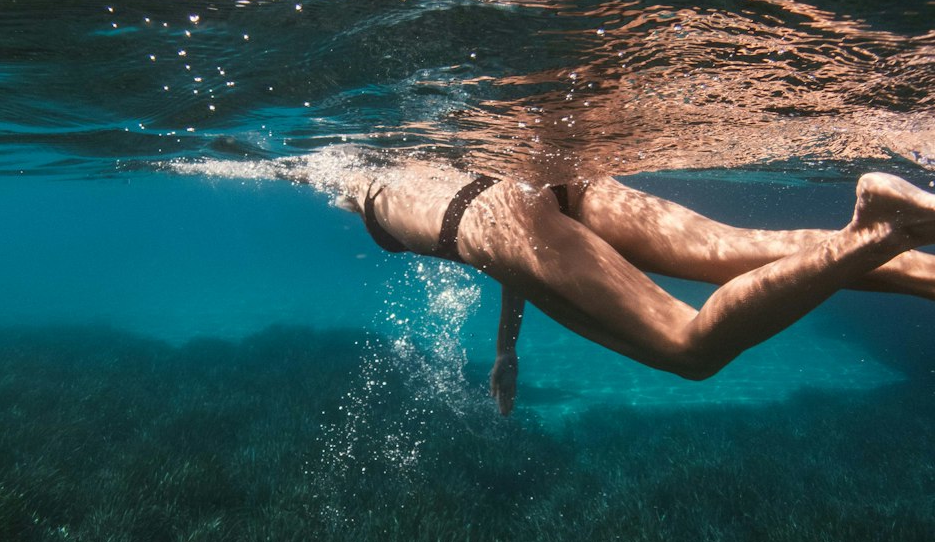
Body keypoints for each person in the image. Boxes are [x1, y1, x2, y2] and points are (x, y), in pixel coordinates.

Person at [284, 154, 935, 415]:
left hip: (506, 220)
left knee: (689, 347)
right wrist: (507, 350)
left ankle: (871, 233)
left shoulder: (353, 186)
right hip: (555, 185)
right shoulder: (419, 155)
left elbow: (506, 244)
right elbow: (516, 257)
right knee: (744, 250)